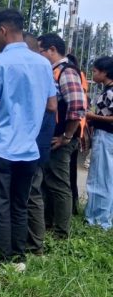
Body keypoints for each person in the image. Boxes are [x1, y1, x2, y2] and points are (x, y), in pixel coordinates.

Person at [0, 9, 56, 267]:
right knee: (20, 205)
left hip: (1, 146)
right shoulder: (43, 63)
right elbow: (52, 105)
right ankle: (18, 259)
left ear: (2, 30)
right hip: (29, 149)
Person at [37, 33, 86, 240]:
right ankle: (49, 223)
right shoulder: (53, 72)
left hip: (61, 140)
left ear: (52, 50)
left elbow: (77, 107)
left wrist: (66, 136)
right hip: (51, 138)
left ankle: (61, 233)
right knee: (48, 182)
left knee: (59, 185)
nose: (39, 55)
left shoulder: (66, 72)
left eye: (41, 51)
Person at [22, 32, 57, 257]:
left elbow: (51, 106)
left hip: (35, 141)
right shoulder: (42, 69)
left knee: (32, 192)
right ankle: (29, 239)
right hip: (35, 140)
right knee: (28, 192)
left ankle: (35, 245)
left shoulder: (39, 70)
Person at [85, 56, 113, 230]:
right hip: (104, 135)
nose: (93, 74)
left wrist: (91, 116)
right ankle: (101, 217)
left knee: (100, 177)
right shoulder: (106, 90)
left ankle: (98, 220)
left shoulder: (110, 92)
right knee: (105, 177)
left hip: (105, 135)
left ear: (105, 73)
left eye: (95, 71)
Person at [65, 53, 88, 215]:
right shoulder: (80, 78)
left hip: (72, 131)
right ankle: (72, 206)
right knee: (70, 172)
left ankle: (71, 208)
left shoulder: (71, 76)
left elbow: (78, 108)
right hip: (77, 130)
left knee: (68, 174)